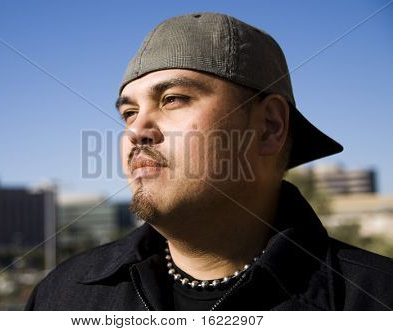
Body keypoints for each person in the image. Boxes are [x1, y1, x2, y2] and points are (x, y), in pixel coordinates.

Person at [26, 12, 392, 311]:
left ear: (268, 126)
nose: (137, 129)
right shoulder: (61, 297)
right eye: (129, 112)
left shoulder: (375, 300)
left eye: (172, 99)